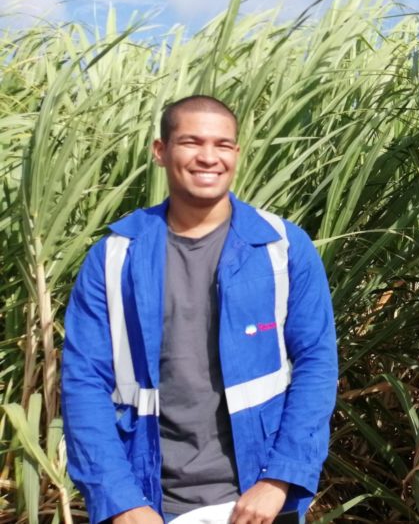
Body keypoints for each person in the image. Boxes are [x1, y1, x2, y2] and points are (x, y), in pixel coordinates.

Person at [61, 95, 338, 524]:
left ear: (237, 154)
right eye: (191, 142)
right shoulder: (115, 256)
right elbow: (84, 382)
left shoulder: (281, 246)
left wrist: (280, 479)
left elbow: (317, 362)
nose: (209, 157)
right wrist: (121, 502)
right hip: (151, 498)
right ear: (161, 151)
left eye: (222, 145)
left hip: (257, 498)